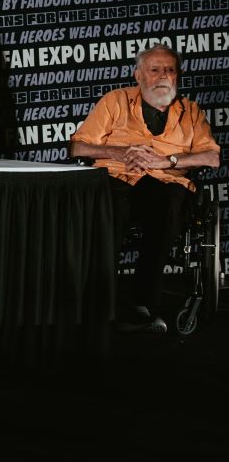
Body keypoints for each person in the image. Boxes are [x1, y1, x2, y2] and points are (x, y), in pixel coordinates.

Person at [70, 45, 220, 334]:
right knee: (107, 206)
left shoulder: (190, 111)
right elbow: (77, 145)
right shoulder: (116, 101)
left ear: (179, 75)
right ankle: (100, 300)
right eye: (155, 70)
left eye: (170, 70)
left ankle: (141, 302)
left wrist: (169, 160)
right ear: (138, 75)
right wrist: (120, 152)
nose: (163, 76)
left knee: (169, 205)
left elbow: (211, 157)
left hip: (165, 182)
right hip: (119, 176)